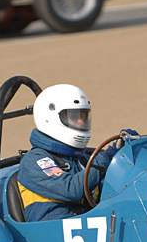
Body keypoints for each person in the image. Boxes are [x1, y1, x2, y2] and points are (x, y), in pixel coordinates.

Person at [16, 84, 121, 222]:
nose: (81, 121)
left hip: (85, 230)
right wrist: (106, 157)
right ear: (50, 118)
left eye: (83, 116)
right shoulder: (35, 160)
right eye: (73, 117)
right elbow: (72, 189)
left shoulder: (82, 160)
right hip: (53, 236)